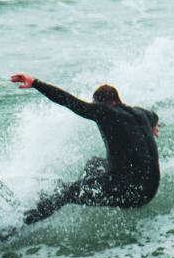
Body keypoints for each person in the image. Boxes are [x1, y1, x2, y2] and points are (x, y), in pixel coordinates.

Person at [10, 74, 160, 225]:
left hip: (133, 193)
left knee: (69, 192)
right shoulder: (141, 114)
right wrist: (152, 126)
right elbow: (154, 116)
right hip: (151, 188)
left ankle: (21, 221)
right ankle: (82, 192)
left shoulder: (105, 113)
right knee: (94, 163)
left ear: (101, 104)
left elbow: (68, 101)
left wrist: (36, 83)